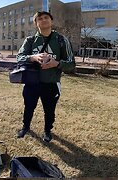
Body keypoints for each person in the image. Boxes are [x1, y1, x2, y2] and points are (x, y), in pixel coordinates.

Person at [16, 11, 76, 142]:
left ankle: (47, 131)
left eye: (46, 18)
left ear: (51, 21)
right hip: (32, 82)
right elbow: (19, 58)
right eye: (40, 19)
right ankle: (25, 127)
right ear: (36, 23)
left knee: (49, 110)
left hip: (51, 82)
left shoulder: (61, 40)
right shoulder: (30, 40)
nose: (43, 20)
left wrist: (57, 63)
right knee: (29, 106)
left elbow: (71, 64)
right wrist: (33, 57)